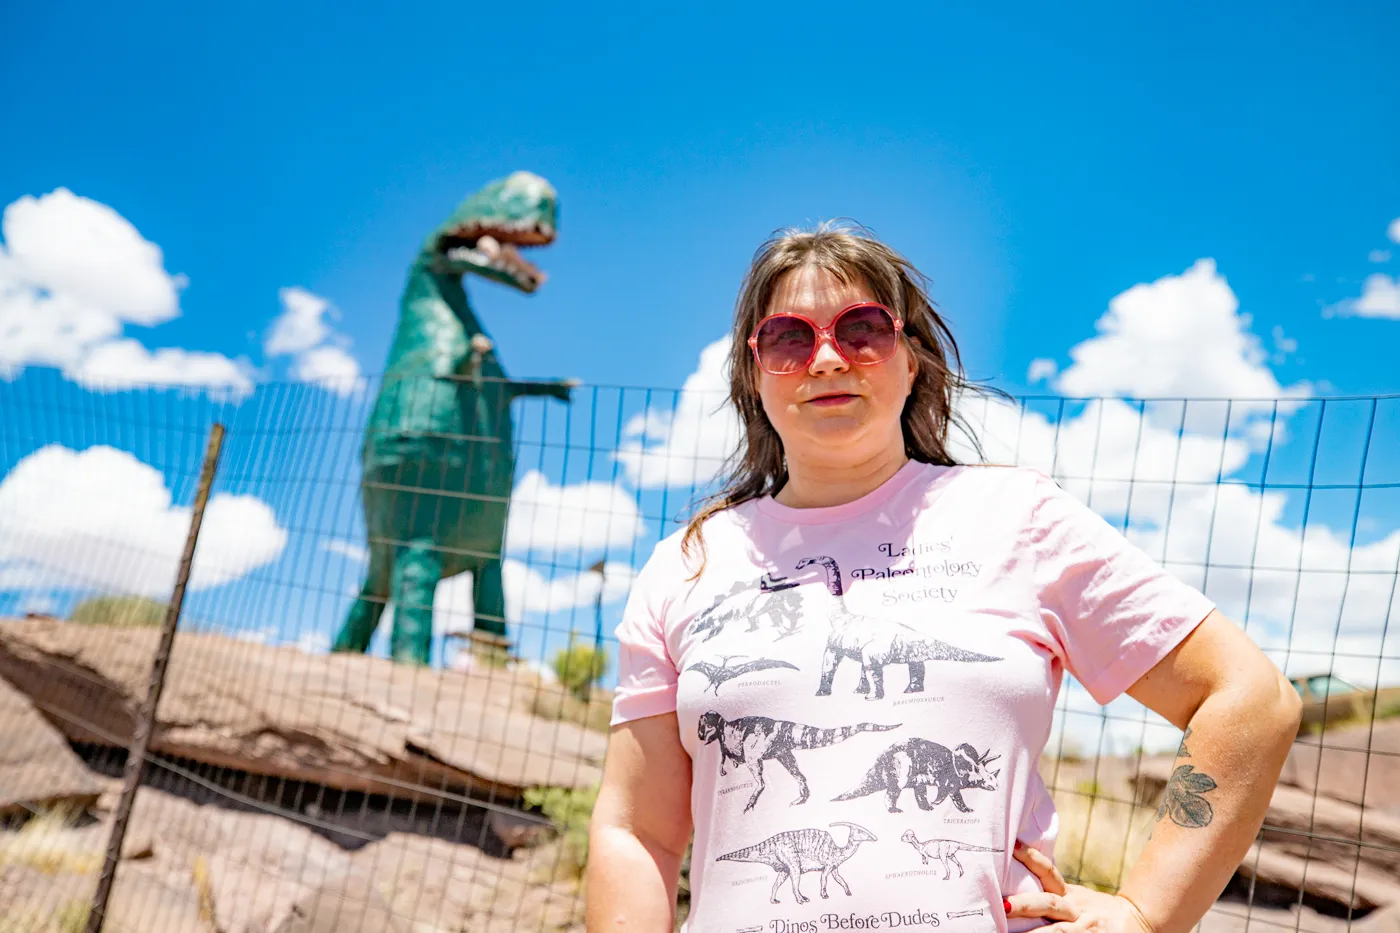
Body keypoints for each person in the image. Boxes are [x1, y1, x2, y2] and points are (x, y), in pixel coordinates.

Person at [587, 222, 1301, 933]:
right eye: (788, 338)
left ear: (913, 358)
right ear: (752, 371)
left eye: (863, 329)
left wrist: (1147, 911)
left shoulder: (1019, 517)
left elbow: (1250, 696)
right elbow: (637, 831)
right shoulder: (689, 563)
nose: (828, 358)